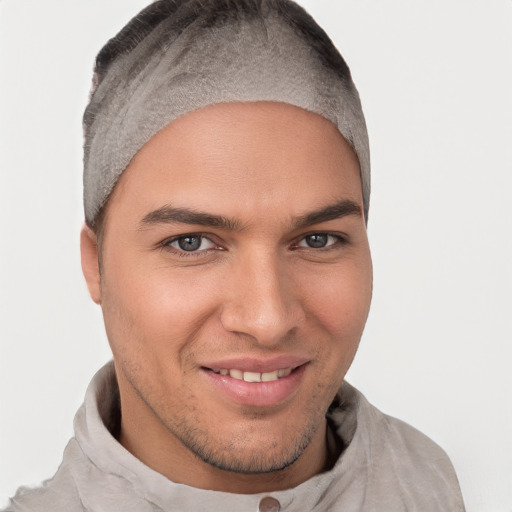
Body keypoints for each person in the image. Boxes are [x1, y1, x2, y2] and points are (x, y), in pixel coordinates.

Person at [3, 0, 465, 510]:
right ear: (97, 265)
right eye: (191, 243)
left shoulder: (432, 486)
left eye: (317, 239)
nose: (268, 320)